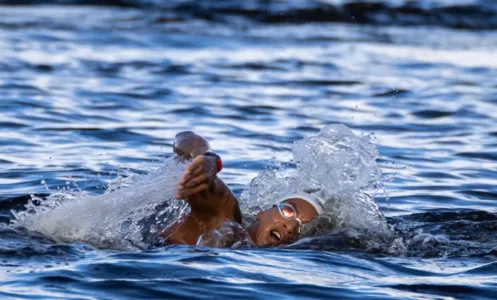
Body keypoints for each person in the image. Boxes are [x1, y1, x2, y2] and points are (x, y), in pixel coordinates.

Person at [158, 131, 324, 247]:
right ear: (263, 212)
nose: (292, 227)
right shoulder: (227, 217)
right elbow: (186, 138)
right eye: (289, 212)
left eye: (303, 227)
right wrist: (209, 161)